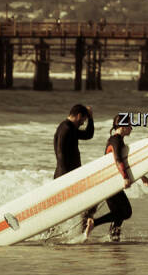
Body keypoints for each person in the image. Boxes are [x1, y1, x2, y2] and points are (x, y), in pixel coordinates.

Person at [85, 114, 140, 242]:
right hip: (109, 183)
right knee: (126, 212)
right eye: (129, 125)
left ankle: (114, 239)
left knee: (119, 214)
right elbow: (118, 160)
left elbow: (126, 162)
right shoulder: (115, 140)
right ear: (122, 126)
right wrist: (125, 177)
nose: (131, 128)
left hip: (111, 181)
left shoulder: (117, 140)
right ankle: (94, 223)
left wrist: (142, 176)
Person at [54, 104, 95, 233]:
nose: (83, 123)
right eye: (83, 120)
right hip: (66, 176)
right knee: (90, 202)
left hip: (70, 175)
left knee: (88, 203)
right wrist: (67, 178)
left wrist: (91, 118)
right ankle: (79, 231)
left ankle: (79, 230)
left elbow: (88, 135)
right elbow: (60, 153)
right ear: (78, 116)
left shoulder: (70, 128)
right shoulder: (65, 128)